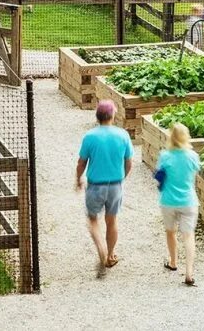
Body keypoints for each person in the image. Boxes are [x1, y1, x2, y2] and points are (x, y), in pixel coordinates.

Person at [76, 100, 133, 278]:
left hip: (95, 185)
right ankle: (109, 254)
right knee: (112, 220)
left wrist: (78, 179)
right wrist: (122, 176)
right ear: (113, 115)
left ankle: (100, 247)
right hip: (115, 185)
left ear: (97, 116)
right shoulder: (122, 135)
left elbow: (81, 162)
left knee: (93, 220)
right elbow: (129, 162)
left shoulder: (90, 137)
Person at [156, 123, 200, 287]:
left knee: (170, 232)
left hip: (168, 200)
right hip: (188, 201)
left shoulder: (165, 156)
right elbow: (194, 174)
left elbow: (159, 176)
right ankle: (189, 273)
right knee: (188, 236)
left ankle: (173, 262)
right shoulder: (192, 156)